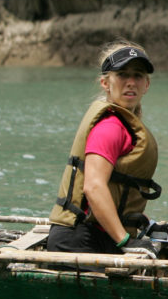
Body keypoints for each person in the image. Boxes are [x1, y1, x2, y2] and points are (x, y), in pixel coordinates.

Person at [46, 40, 161, 256]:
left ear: (146, 85)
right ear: (105, 83)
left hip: (101, 237)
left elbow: (117, 192)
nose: (131, 82)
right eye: (122, 74)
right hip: (79, 242)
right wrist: (125, 240)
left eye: (138, 75)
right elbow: (94, 186)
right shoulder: (110, 127)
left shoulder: (125, 125)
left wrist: (147, 224)